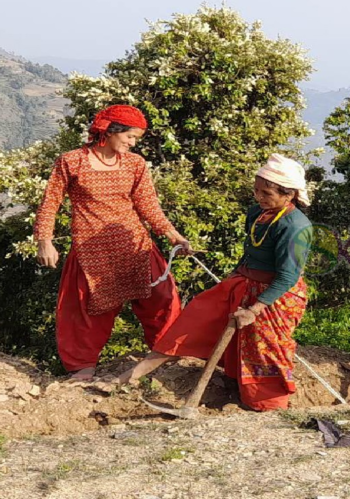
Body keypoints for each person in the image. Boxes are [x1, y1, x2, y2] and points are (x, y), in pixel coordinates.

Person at [118, 154, 314, 412]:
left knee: (262, 351)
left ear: (289, 195)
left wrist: (254, 309)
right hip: (242, 283)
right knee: (194, 320)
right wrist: (234, 280)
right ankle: (132, 376)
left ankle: (268, 408)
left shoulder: (296, 227)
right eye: (256, 191)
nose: (259, 198)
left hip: (274, 297)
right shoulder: (257, 213)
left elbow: (288, 276)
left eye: (266, 193)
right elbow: (250, 251)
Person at [34, 104, 192, 381]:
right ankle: (82, 370)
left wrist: (174, 236)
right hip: (91, 250)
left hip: (135, 245)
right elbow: (50, 203)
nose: (132, 144)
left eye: (136, 140)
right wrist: (44, 241)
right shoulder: (72, 161)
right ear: (110, 130)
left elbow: (148, 207)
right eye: (130, 137)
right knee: (86, 312)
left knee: (163, 299)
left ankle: (166, 356)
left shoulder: (135, 164)